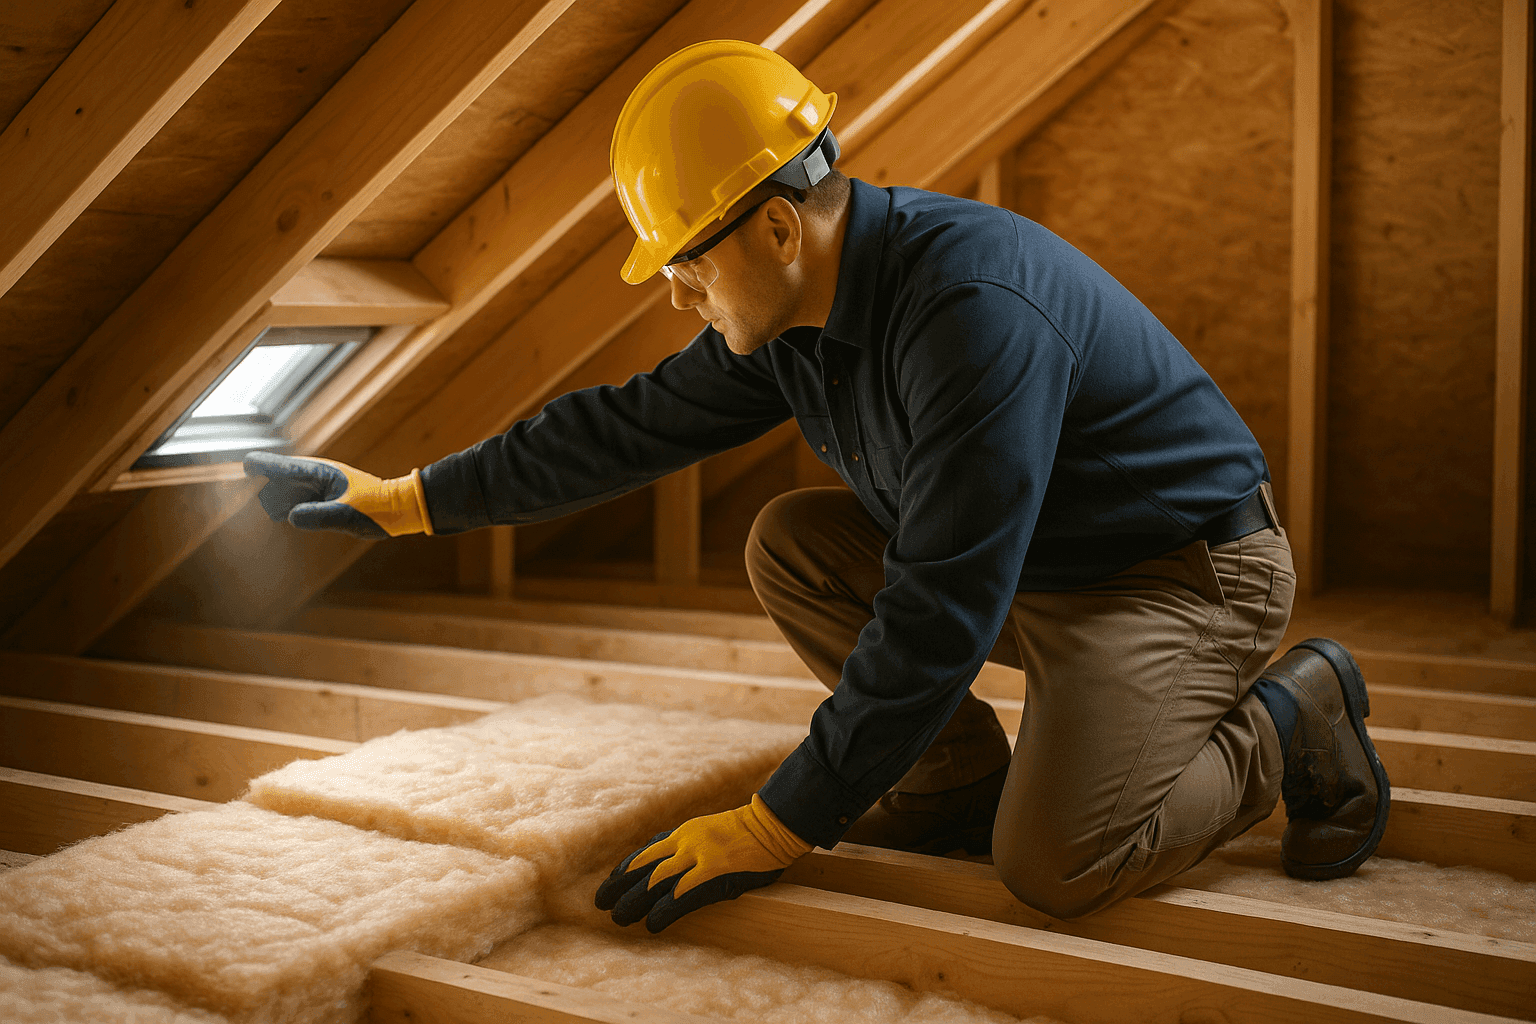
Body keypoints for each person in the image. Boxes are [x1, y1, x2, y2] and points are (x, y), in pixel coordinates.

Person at [245, 40, 1391, 933]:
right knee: (792, 539)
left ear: (780, 227)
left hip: (1179, 577)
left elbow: (944, 600)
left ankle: (1296, 713)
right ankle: (945, 780)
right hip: (1046, 561)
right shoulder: (795, 310)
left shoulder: (971, 316)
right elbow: (625, 427)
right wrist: (401, 499)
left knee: (1055, 865)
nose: (681, 294)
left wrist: (783, 820)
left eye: (688, 262)